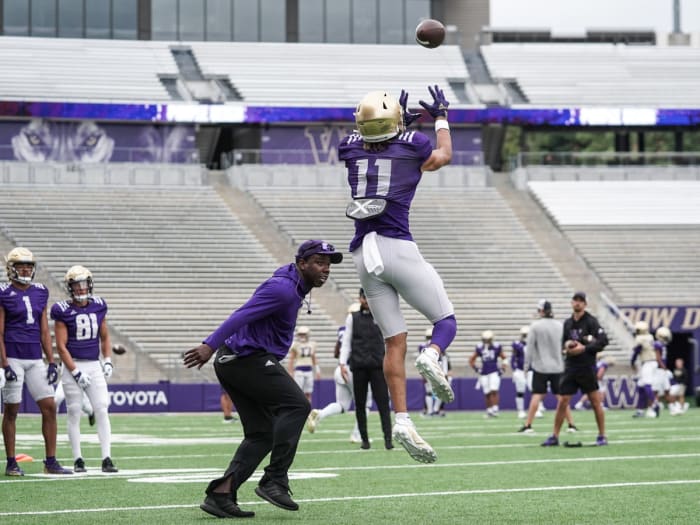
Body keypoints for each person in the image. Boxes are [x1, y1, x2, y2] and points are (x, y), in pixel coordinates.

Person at [339, 85, 456, 464]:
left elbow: (371, 138)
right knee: (445, 322)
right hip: (396, 245)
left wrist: (397, 121)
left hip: (362, 253)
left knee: (394, 341)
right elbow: (442, 156)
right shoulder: (412, 144)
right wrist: (440, 117)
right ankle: (433, 355)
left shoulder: (350, 146)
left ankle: (402, 420)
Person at [183, 239, 342, 518]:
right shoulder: (282, 289)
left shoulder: (294, 286)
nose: (325, 269)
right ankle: (275, 479)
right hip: (244, 359)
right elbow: (241, 315)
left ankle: (221, 494)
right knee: (297, 406)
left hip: (238, 360)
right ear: (302, 263)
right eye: (319, 262)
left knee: (262, 434)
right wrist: (209, 344)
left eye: (328, 264)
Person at [1, 247, 72, 476]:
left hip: (35, 359)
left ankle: (50, 461)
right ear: (11, 268)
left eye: (29, 265)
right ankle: (11, 462)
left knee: (49, 407)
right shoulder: (3, 292)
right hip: (12, 356)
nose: (25, 269)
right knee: (12, 410)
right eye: (21, 265)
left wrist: (51, 360)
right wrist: (4, 364)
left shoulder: (40, 291)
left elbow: (44, 329)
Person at [50, 265, 118, 473]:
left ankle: (107, 458)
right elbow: (61, 347)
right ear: (70, 288)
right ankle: (78, 458)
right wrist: (75, 371)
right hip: (73, 365)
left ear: (90, 284)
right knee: (74, 412)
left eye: (83, 284)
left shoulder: (98, 305)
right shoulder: (62, 310)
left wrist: (107, 359)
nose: (81, 289)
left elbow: (105, 336)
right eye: (76, 285)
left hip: (93, 364)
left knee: (101, 409)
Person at [542, 292, 608, 447]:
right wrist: (566, 348)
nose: (577, 303)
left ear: (585, 304)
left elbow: (603, 341)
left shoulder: (591, 322)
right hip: (571, 367)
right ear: (571, 303)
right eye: (575, 301)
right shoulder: (568, 323)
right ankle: (554, 436)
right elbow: (563, 343)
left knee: (595, 401)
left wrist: (584, 348)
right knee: (563, 401)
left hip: (587, 367)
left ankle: (602, 435)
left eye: (581, 301)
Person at [306, 303, 372, 443]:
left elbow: (337, 352)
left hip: (340, 369)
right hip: (355, 370)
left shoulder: (342, 330)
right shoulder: (363, 328)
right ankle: (357, 435)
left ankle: (321, 414)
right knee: (364, 405)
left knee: (342, 405)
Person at [338, 288, 393, 450]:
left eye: (369, 298)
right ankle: (364, 440)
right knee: (360, 404)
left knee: (383, 403)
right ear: (359, 299)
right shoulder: (352, 318)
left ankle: (388, 440)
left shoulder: (381, 316)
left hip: (378, 366)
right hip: (359, 366)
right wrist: (342, 363)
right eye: (364, 298)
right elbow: (346, 342)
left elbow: (389, 340)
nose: (367, 301)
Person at [519, 300, 577, 434]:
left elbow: (530, 349)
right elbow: (566, 345)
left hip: (541, 367)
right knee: (562, 397)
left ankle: (528, 425)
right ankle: (571, 424)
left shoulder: (535, 326)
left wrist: (526, 367)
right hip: (558, 366)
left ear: (541, 311)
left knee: (537, 395)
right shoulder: (560, 325)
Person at [469, 331, 506, 418]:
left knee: (494, 390)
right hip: (484, 372)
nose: (486, 341)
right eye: (485, 339)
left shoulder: (497, 347)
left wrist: (503, 369)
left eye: (488, 339)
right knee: (487, 392)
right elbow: (471, 360)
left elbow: (504, 358)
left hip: (494, 371)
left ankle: (495, 409)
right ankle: (489, 410)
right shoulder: (479, 347)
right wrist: (477, 369)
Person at [630, 321, 659, 418]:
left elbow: (637, 351)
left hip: (648, 362)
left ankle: (655, 404)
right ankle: (640, 410)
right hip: (650, 362)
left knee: (647, 385)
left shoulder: (640, 338)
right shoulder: (650, 337)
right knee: (641, 386)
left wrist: (632, 362)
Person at [287, 326, 320, 404]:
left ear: (308, 334)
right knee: (299, 392)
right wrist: (290, 372)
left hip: (309, 370)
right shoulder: (296, 345)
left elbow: (314, 358)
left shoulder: (312, 344)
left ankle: (308, 410)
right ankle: (299, 410)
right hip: (299, 370)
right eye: (300, 334)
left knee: (308, 392)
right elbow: (291, 359)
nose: (302, 336)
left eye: (304, 334)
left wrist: (317, 370)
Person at [511, 326, 529, 419]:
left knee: (536, 390)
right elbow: (513, 357)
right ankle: (521, 410)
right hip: (520, 370)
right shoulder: (517, 344)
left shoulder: (534, 344)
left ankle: (537, 409)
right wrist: (514, 369)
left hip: (531, 370)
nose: (526, 336)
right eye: (524, 335)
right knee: (520, 391)